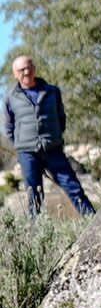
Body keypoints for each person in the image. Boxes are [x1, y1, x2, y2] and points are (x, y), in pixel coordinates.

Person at [4, 55, 94, 218]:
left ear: (34, 68)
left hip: (53, 149)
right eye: (21, 69)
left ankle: (93, 220)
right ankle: (36, 236)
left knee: (74, 187)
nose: (26, 71)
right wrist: (21, 144)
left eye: (29, 67)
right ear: (15, 74)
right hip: (27, 154)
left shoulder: (52, 91)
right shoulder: (11, 97)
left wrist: (54, 137)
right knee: (34, 197)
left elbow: (61, 118)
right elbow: (9, 128)